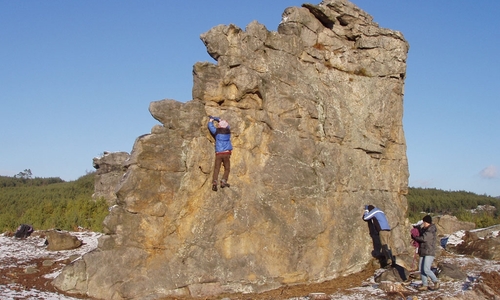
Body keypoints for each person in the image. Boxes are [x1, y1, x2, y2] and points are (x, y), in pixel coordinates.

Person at [411, 215, 440, 291]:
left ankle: (436, 281)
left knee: (426, 269)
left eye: (424, 222)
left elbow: (424, 238)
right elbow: (421, 234)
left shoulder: (431, 230)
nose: (423, 223)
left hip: (429, 252)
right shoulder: (425, 229)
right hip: (423, 251)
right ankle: (425, 285)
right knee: (422, 269)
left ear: (428, 222)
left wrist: (415, 238)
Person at [208, 116, 233, 191]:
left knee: (216, 168)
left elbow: (210, 126)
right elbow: (227, 125)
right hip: (226, 153)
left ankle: (215, 182)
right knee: (227, 168)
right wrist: (219, 120)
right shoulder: (228, 131)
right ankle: (223, 180)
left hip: (219, 153)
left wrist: (211, 120)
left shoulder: (216, 132)